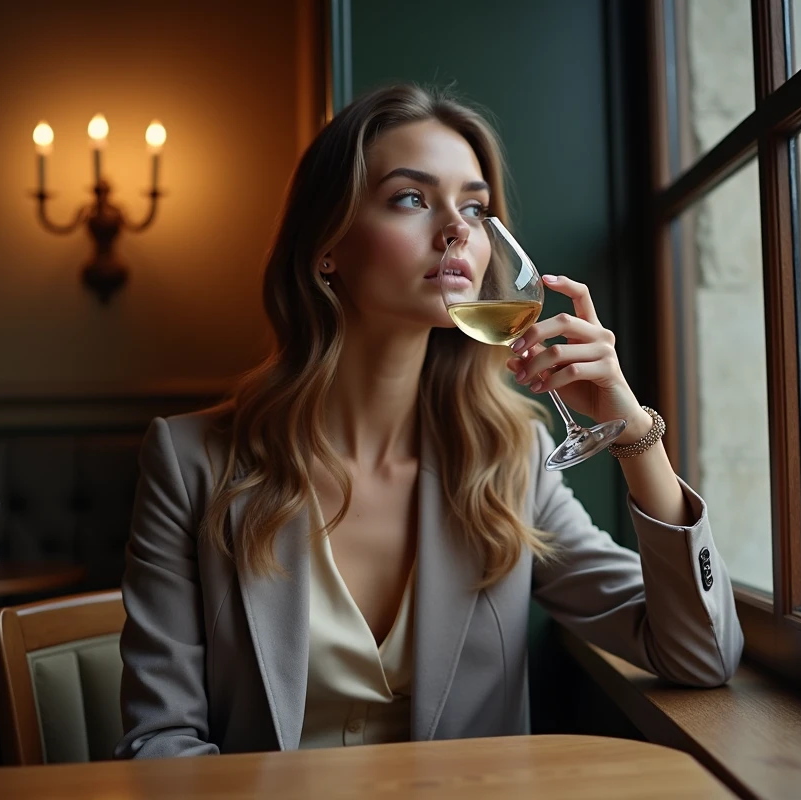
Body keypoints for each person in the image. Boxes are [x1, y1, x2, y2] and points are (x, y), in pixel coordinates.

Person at [114, 84, 743, 759]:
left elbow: (700, 656)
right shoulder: (191, 462)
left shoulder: (510, 458)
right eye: (411, 199)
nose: (458, 230)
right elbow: (161, 742)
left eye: (474, 206)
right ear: (328, 247)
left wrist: (635, 438)